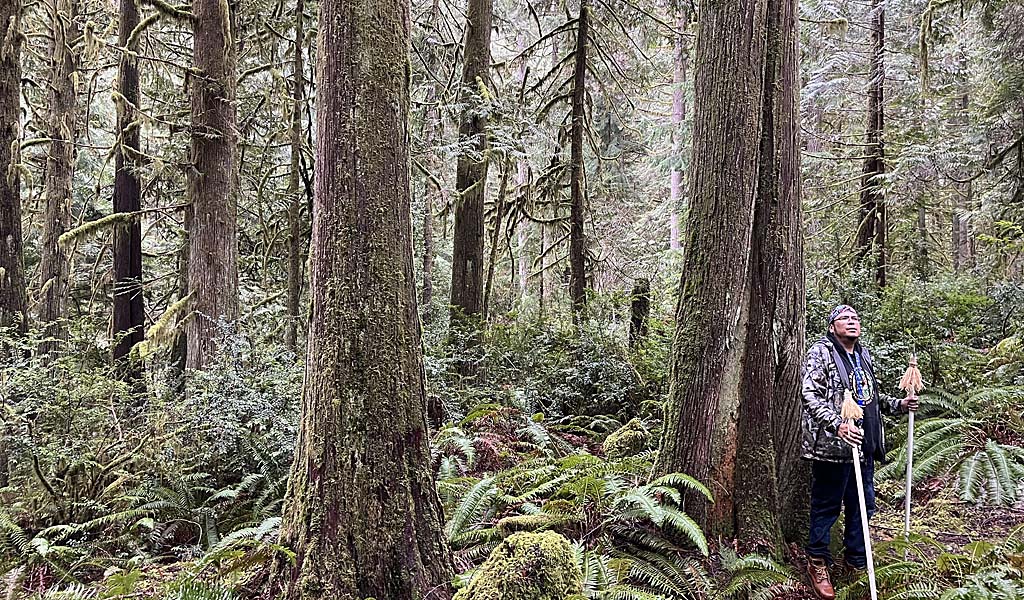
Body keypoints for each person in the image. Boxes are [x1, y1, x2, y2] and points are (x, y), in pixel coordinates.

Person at [800, 304, 919, 600]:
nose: (852, 322)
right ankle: (817, 561)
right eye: (845, 319)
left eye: (856, 318)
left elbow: (869, 397)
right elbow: (809, 394)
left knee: (863, 504)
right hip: (831, 447)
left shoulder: (862, 355)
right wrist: (837, 423)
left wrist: (898, 405)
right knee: (827, 505)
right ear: (832, 327)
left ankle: (856, 561)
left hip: (862, 446)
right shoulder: (822, 352)